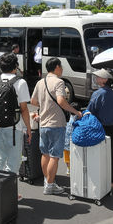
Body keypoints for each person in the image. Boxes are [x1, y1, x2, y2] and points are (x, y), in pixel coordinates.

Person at [30, 58, 83, 195]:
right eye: (61, 67)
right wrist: (75, 111)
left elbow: (33, 101)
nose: (62, 69)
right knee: (54, 156)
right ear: (57, 67)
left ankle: (47, 181)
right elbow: (61, 101)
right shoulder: (59, 82)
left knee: (45, 153)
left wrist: (45, 105)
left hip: (43, 123)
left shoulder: (40, 82)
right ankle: (50, 184)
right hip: (56, 123)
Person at [85, 69, 113, 188]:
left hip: (101, 128)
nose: (96, 78)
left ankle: (102, 180)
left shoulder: (98, 93)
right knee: (110, 155)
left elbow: (90, 110)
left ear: (105, 79)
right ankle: (112, 179)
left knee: (99, 155)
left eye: (98, 76)